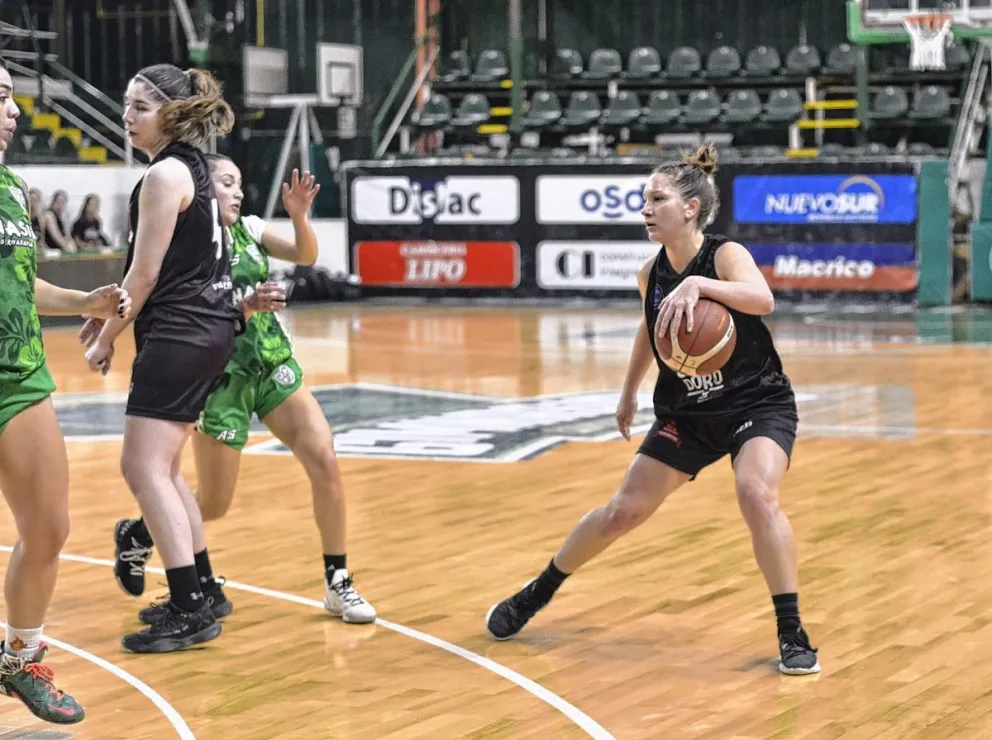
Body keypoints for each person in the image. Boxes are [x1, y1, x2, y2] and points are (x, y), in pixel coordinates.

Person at [484, 145, 820, 676]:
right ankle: (537, 591)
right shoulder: (651, 272)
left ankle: (791, 630)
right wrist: (628, 391)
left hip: (756, 403)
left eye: (656, 199)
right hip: (688, 410)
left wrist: (700, 284)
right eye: (644, 199)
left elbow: (763, 300)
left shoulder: (724, 256)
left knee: (755, 493)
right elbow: (650, 326)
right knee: (623, 511)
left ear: (689, 208)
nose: (645, 209)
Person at [109, 155, 375, 625]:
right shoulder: (187, 239)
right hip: (218, 377)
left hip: (271, 364)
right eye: (225, 183)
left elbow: (306, 256)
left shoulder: (250, 228)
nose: (236, 192)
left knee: (325, 459)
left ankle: (339, 581)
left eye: (239, 183)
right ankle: (141, 533)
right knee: (213, 503)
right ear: (201, 190)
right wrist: (242, 306)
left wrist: (298, 216)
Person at [80, 63, 283, 654]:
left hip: (182, 332)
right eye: (126, 103)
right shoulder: (190, 166)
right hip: (209, 328)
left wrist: (105, 338)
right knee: (164, 470)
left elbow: (142, 277)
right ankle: (204, 589)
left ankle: (190, 608)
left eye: (140, 107)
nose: (127, 116)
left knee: (142, 469)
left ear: (171, 113)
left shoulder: (167, 174)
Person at [0, 60, 133, 724]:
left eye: (12, 96)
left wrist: (85, 298)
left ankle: (20, 659)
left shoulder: (10, 188)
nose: (15, 109)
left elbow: (24, 285)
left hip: (19, 380)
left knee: (48, 527)